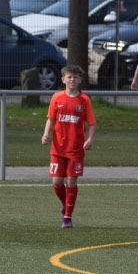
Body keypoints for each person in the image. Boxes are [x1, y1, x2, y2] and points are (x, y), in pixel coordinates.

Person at [41, 65, 96, 228]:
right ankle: (66, 204)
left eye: (75, 77)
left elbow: (92, 122)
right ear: (63, 80)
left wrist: (90, 139)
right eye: (69, 77)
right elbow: (51, 119)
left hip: (76, 149)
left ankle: (67, 217)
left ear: (80, 80)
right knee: (57, 182)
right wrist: (46, 134)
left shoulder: (84, 100)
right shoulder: (57, 98)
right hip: (58, 148)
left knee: (71, 181)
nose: (72, 80)